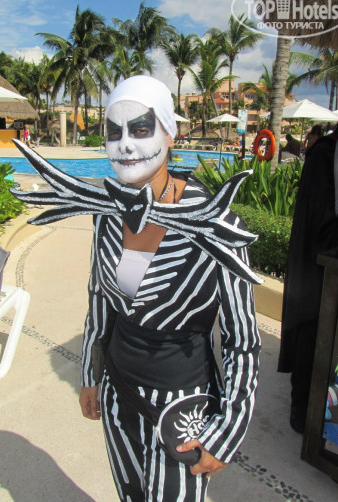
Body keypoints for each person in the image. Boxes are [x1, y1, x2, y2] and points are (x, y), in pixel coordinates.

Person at [77, 76, 261, 501]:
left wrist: (226, 432)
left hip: (183, 407)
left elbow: (242, 339)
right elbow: (99, 300)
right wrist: (90, 373)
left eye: (141, 129)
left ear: (169, 134)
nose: (126, 144)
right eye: (114, 132)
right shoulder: (107, 213)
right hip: (118, 392)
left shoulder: (215, 225)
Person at [279, 100, 338, 434]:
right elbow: (318, 216)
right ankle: (302, 409)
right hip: (316, 266)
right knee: (311, 337)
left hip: (335, 263)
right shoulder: (325, 154)